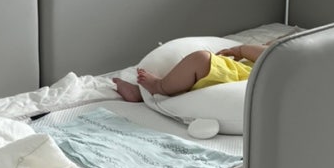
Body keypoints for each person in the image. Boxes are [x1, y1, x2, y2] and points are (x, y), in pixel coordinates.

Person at [113, 42, 274, 103]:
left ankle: (159, 86)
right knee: (184, 75)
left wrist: (241, 49)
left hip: (240, 77)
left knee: (200, 59)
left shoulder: (281, 55)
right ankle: (141, 93)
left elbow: (270, 54)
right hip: (239, 73)